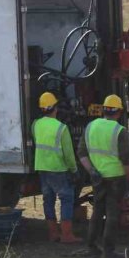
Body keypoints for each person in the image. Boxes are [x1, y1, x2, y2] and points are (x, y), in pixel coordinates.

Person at [78, 94, 129, 258]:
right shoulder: (119, 131)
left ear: (103, 110)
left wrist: (92, 171)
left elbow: (81, 153)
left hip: (98, 178)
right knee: (112, 214)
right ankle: (108, 251)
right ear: (119, 113)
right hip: (116, 178)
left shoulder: (90, 127)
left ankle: (92, 246)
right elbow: (127, 161)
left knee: (97, 211)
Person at [32, 92, 80, 243]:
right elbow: (69, 153)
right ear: (55, 108)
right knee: (66, 198)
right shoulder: (61, 128)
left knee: (48, 199)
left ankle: (53, 233)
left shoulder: (35, 125)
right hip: (58, 168)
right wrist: (74, 170)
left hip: (42, 167)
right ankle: (67, 235)